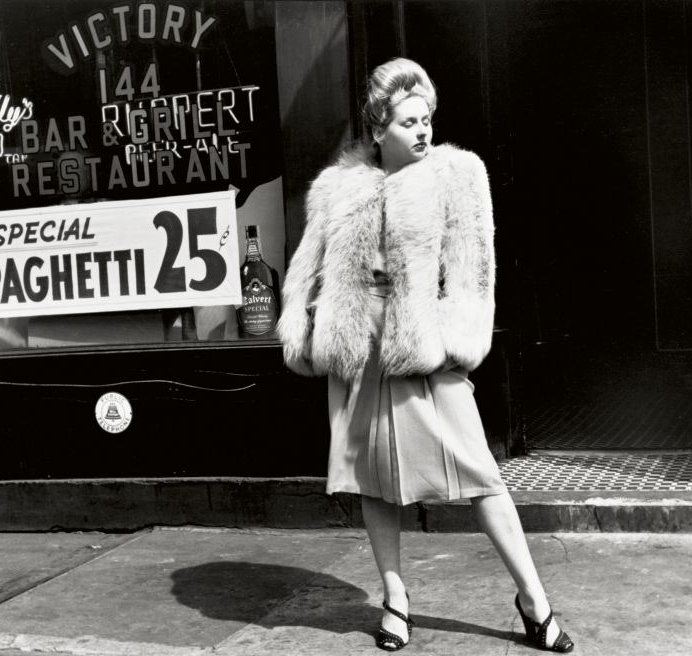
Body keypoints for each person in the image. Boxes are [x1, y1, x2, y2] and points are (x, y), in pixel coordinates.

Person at [277, 57, 574, 653]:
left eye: (427, 119)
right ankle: (395, 599)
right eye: (408, 121)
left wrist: (451, 340)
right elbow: (305, 271)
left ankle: (533, 600)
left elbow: (473, 271)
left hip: (424, 347)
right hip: (361, 349)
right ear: (378, 126)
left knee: (482, 475)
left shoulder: (459, 175)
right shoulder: (338, 186)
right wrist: (306, 330)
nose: (422, 131)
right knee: (373, 480)